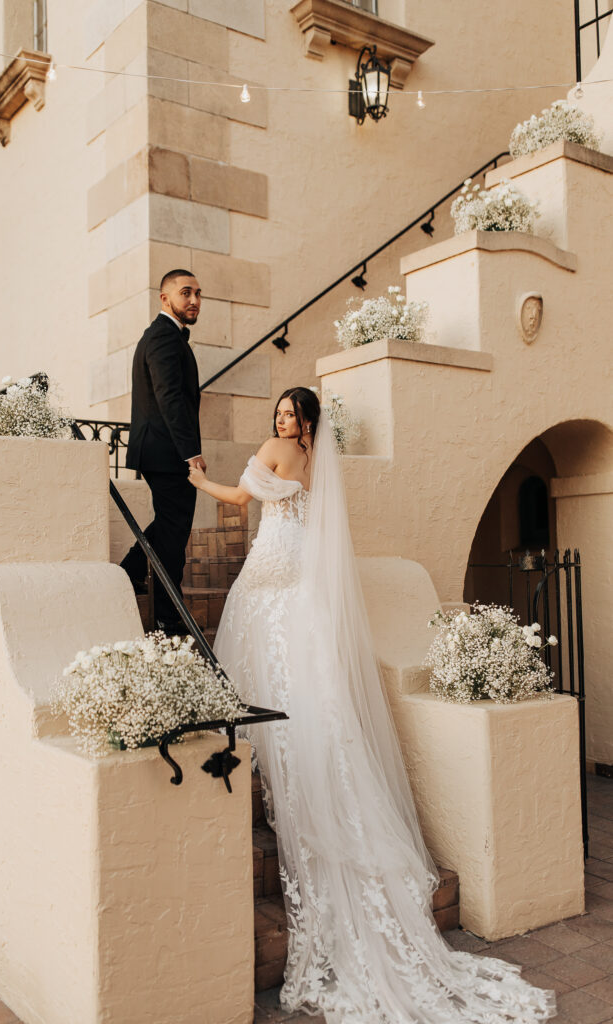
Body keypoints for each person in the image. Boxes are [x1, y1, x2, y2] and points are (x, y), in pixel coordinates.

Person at [188, 386, 556, 1023]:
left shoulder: (275, 451)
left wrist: (198, 478)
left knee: (265, 670)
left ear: (303, 422)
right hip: (300, 574)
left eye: (289, 413)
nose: (281, 421)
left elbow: (241, 500)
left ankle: (278, 757)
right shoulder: (319, 464)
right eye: (277, 413)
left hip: (273, 575)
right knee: (303, 682)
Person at [122, 269, 205, 634]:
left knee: (169, 523)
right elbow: (169, 398)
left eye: (198, 294)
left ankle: (130, 572)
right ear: (165, 297)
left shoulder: (167, 336)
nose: (194, 300)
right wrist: (191, 453)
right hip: (167, 451)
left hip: (162, 449)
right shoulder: (163, 337)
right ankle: (170, 617)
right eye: (186, 292)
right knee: (175, 529)